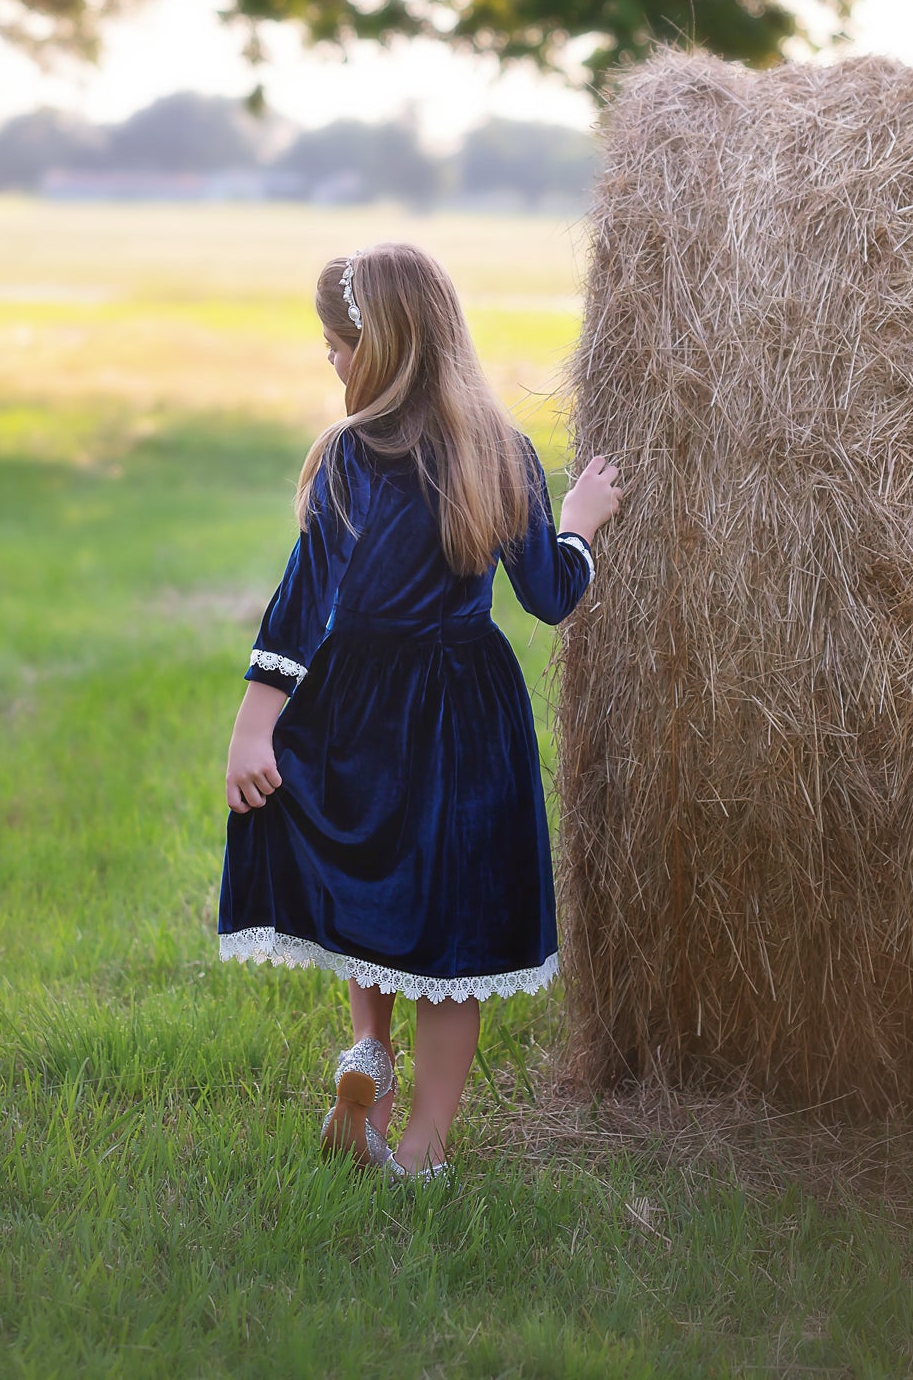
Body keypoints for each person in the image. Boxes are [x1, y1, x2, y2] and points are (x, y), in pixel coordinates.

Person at [218, 240, 621, 1180]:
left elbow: (298, 602)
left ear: (379, 347)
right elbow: (551, 596)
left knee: (373, 880)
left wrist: (254, 726)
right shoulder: (501, 450)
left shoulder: (348, 457)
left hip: (357, 701)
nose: (329, 359)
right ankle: (422, 1146)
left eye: (334, 343)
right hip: (465, 711)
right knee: (456, 926)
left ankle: (368, 1050)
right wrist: (583, 522)